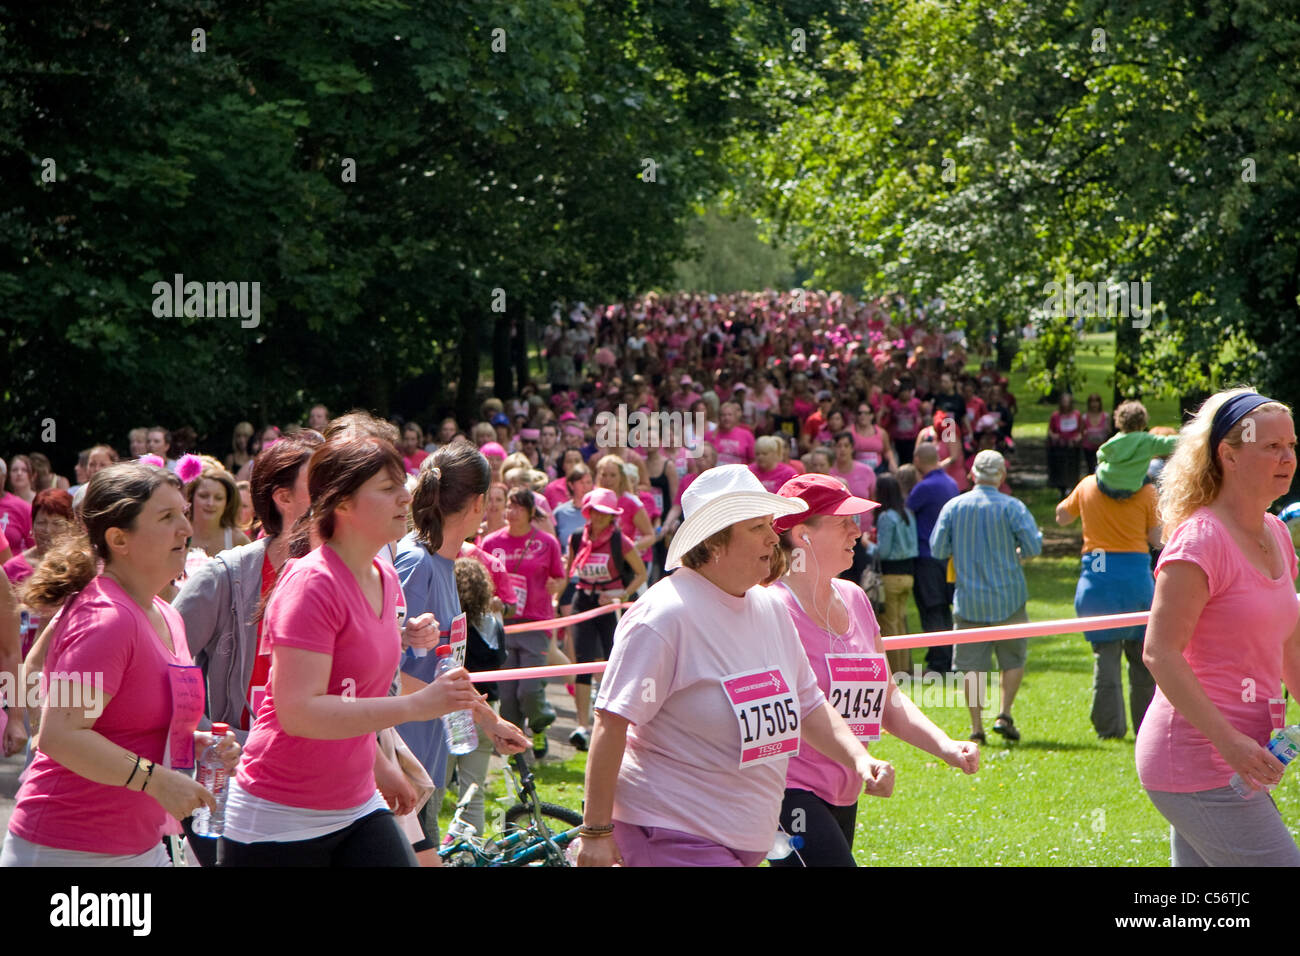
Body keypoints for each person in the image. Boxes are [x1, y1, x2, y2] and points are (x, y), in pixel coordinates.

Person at [576, 465, 896, 867]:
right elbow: (611, 722)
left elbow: (808, 704)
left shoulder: (768, 608)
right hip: (669, 833)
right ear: (714, 544)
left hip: (739, 842)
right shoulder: (663, 615)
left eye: (770, 523)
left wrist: (858, 759)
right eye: (757, 527)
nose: (772, 536)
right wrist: (596, 832)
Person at [218, 436, 506, 867]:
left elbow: (352, 695)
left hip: (354, 803)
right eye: (388, 487)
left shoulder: (384, 576)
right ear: (344, 504)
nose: (406, 496)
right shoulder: (312, 584)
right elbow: (299, 712)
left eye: (401, 484)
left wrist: (382, 767)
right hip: (280, 814)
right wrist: (413, 706)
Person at [1, 463, 239, 866]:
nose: (186, 527)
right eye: (167, 517)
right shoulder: (106, 618)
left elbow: (131, 723)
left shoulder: (167, 615)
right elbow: (62, 734)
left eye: (183, 512)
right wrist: (155, 779)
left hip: (140, 846)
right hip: (67, 850)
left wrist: (195, 745)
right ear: (118, 538)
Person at [767, 474, 978, 866]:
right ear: (801, 534)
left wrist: (944, 745)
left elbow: (886, 698)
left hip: (845, 787)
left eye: (856, 519)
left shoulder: (855, 597)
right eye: (842, 520)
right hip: (784, 790)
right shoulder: (771, 609)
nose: (857, 529)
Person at [1136, 389, 1300, 866]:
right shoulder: (1201, 540)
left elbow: (1289, 643)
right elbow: (1159, 652)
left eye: (1292, 445)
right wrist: (1229, 744)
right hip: (1196, 760)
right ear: (1228, 455)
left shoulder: (1274, 532)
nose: (1287, 457)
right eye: (1271, 447)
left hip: (1240, 761)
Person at [395, 443, 531, 857]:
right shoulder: (415, 564)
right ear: (477, 503)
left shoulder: (444, 564)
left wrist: (490, 721)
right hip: (400, 766)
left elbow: (444, 672)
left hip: (428, 762)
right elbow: (388, 672)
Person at [175, 433, 322, 741]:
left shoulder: (354, 576)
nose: (337, 495)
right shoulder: (226, 577)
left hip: (328, 770)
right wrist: (209, 737)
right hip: (241, 773)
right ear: (283, 498)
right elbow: (162, 664)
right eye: (321, 484)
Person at [930, 450, 1043, 744]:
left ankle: (976, 728)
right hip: (1010, 598)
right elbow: (1032, 548)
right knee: (1013, 660)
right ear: (1002, 477)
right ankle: (1004, 714)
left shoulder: (954, 507)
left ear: (972, 475)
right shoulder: (1013, 507)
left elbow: (938, 550)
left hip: (969, 601)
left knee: (971, 667)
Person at [1055, 456, 1162, 739]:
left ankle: (1110, 728)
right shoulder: (1147, 492)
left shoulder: (1088, 485)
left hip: (1098, 580)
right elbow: (1156, 538)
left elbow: (1062, 517)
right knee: (1142, 660)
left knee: (1106, 656)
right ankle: (1146, 727)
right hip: (1137, 580)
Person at [481, 487, 567, 759]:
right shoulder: (491, 542)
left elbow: (559, 578)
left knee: (529, 690)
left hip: (535, 623)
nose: (511, 512)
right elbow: (480, 578)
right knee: (507, 696)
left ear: (531, 512)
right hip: (503, 626)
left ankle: (540, 722)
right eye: (509, 506)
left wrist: (556, 584)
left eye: (518, 507)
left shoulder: (546, 543)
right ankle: (518, 755)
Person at [564, 488, 647, 751]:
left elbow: (641, 573)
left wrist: (618, 595)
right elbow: (569, 572)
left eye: (605, 514)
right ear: (587, 512)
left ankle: (612, 721)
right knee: (583, 661)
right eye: (595, 512)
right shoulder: (577, 538)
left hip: (610, 605)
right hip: (584, 601)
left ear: (612, 517)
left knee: (614, 662)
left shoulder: (620, 541)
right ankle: (582, 726)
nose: (599, 518)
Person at [906, 443, 959, 673]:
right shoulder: (951, 483)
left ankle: (939, 663)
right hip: (947, 557)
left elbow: (906, 511)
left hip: (926, 556)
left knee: (932, 609)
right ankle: (948, 657)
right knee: (945, 609)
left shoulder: (923, 487)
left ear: (917, 459)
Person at [873, 475, 918, 677]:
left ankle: (895, 672)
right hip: (908, 575)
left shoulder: (885, 517)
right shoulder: (907, 514)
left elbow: (883, 551)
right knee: (900, 621)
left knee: (889, 626)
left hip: (891, 575)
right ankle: (905, 668)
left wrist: (867, 545)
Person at [1095, 401, 1179, 499]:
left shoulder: (1115, 440)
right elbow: (1168, 443)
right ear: (1143, 421)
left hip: (1105, 484)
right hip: (1130, 488)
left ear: (1119, 421)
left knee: (1098, 468)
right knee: (1149, 475)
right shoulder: (1148, 440)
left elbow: (1100, 455)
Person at [3, 489, 74, 585]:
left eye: (57, 523)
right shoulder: (12, 568)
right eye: (42, 523)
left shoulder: (79, 566)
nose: (48, 530)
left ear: (71, 527)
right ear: (32, 526)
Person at [186, 463, 252, 558]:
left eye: (218, 498)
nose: (210, 503)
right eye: (203, 496)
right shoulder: (179, 533)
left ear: (227, 502)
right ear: (191, 497)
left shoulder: (237, 540)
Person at [1047, 392, 1082, 499]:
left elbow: (1081, 430)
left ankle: (1071, 487)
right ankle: (1061, 488)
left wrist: (1078, 438)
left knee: (1072, 466)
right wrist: (1054, 436)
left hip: (1072, 446)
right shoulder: (1055, 416)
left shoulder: (1076, 414)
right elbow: (1050, 430)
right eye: (1063, 402)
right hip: (1060, 445)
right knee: (1060, 466)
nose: (1065, 404)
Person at [1080, 394, 1110, 475]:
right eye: (1092, 402)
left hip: (1101, 446)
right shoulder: (1085, 417)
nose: (1094, 404)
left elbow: (1109, 432)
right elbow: (1081, 432)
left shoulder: (1105, 416)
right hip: (1088, 447)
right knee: (1090, 467)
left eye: (1096, 401)